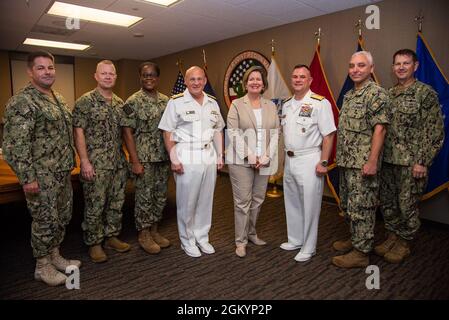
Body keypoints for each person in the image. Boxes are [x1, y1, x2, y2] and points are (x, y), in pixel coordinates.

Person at [3, 51, 81, 286]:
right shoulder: (22, 102)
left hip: (62, 172)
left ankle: (55, 255)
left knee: (61, 217)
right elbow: (15, 145)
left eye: (51, 67)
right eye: (41, 68)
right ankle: (42, 266)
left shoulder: (58, 97)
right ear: (30, 72)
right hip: (40, 175)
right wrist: (28, 178)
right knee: (45, 220)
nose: (47, 72)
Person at [376, 49, 444, 263]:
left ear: (415, 66)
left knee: (407, 205)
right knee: (388, 203)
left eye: (406, 63)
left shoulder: (425, 93)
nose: (401, 67)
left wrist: (422, 161)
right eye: (397, 63)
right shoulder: (388, 93)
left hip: (411, 163)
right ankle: (393, 236)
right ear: (393, 67)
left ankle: (404, 242)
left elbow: (434, 130)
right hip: (387, 161)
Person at [158, 66, 225, 258]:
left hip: (208, 155)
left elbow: (218, 129)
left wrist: (220, 155)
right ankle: (187, 240)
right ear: (186, 82)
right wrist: (173, 157)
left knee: (206, 200)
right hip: (186, 154)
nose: (196, 82)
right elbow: (167, 131)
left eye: (200, 79)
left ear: (204, 81)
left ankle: (202, 237)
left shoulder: (212, 102)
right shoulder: (176, 102)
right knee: (187, 202)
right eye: (192, 79)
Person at [332, 51, 390, 268]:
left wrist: (373, 161)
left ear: (371, 69)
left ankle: (361, 252)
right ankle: (355, 238)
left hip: (363, 164)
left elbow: (381, 129)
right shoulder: (349, 95)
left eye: (361, 65)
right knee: (348, 206)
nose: (355, 69)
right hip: (347, 162)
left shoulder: (376, 94)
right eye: (352, 65)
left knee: (362, 207)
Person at [73, 60, 130, 263]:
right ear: (95, 76)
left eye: (111, 74)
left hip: (117, 163)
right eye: (103, 73)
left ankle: (112, 235)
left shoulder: (119, 103)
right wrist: (84, 162)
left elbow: (124, 133)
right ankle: (94, 243)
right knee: (95, 205)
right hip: (95, 164)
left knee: (116, 202)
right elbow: (78, 132)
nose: (107, 76)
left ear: (115, 77)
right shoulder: (85, 102)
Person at [280, 65, 336, 262]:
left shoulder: (320, 103)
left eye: (302, 77)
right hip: (290, 159)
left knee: (310, 204)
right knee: (292, 201)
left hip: (310, 158)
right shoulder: (286, 104)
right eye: (294, 76)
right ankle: (295, 239)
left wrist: (324, 162)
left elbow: (328, 135)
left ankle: (309, 246)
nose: (297, 79)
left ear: (310, 80)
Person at [226, 65, 279, 258]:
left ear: (263, 84)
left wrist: (266, 156)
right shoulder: (237, 105)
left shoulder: (271, 105)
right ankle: (240, 242)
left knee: (258, 200)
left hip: (264, 161)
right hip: (241, 161)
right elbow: (233, 133)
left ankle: (251, 233)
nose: (255, 82)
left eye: (258, 79)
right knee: (243, 202)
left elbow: (276, 133)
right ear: (246, 83)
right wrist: (250, 156)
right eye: (251, 79)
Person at [122, 62, 171, 255]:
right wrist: (134, 161)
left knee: (160, 196)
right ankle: (143, 234)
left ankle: (154, 230)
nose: (149, 78)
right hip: (143, 158)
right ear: (140, 78)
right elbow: (127, 132)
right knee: (144, 197)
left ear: (158, 78)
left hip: (163, 157)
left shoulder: (166, 101)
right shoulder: (132, 101)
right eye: (145, 75)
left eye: (152, 75)